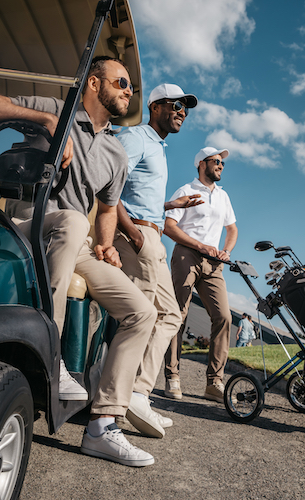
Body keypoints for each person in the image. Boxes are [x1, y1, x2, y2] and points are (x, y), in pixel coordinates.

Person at [0, 56, 158, 467]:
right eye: (122, 82)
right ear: (93, 82)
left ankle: (103, 426)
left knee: (142, 311)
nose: (128, 91)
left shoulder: (116, 153)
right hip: (21, 220)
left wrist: (106, 245)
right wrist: (46, 122)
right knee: (69, 220)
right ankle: (51, 356)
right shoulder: (54, 109)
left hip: (76, 242)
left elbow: (106, 210)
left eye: (131, 88)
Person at [114, 84, 201, 435]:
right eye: (176, 104)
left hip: (150, 233)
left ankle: (137, 393)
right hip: (138, 235)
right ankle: (126, 398)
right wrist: (133, 234)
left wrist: (169, 206)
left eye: (186, 108)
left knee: (169, 316)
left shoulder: (158, 147)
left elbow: (139, 193)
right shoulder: (135, 138)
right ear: (155, 106)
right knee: (153, 316)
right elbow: (108, 186)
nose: (182, 111)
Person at [163, 146, 238, 403]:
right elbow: (168, 226)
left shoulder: (223, 197)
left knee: (223, 317)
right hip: (187, 255)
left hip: (214, 263)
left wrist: (226, 250)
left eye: (222, 163)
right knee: (179, 314)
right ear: (201, 164)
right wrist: (199, 245)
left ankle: (214, 382)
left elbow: (232, 229)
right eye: (216, 161)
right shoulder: (186, 191)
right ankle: (172, 376)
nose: (220, 165)